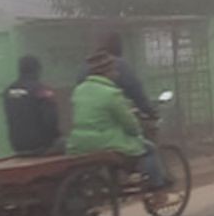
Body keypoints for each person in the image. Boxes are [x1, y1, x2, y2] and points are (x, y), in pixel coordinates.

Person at [66, 50, 168, 191]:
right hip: (105, 142)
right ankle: (158, 192)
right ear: (107, 72)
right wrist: (137, 128)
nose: (117, 73)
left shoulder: (78, 91)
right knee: (149, 149)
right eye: (114, 70)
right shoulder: (112, 93)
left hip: (78, 143)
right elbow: (130, 126)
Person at [76, 31, 157, 119]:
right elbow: (136, 92)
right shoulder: (119, 66)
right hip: (111, 123)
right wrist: (150, 112)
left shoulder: (84, 68)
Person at [4, 55, 62, 156]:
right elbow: (51, 120)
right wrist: (56, 137)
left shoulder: (8, 91)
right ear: (37, 70)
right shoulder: (41, 90)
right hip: (40, 145)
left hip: (17, 146)